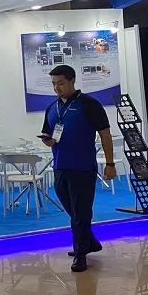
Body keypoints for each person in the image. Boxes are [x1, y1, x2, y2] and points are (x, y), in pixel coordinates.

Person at [39, 65, 116, 273]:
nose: (57, 88)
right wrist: (48, 141)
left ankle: (80, 254)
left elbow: (105, 134)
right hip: (60, 166)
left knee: (81, 213)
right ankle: (89, 242)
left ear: (72, 81)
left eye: (61, 83)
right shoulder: (52, 108)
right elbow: (48, 134)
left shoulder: (89, 104)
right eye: (54, 84)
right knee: (73, 211)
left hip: (83, 167)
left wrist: (110, 164)